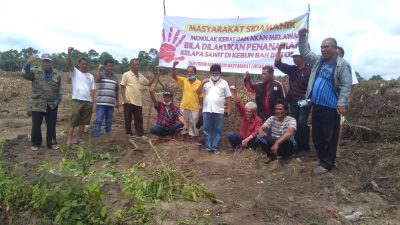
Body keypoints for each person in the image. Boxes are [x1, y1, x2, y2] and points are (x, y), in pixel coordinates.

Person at [298, 28, 352, 174]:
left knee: (330, 136)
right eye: (321, 47)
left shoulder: (342, 65)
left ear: (335, 48)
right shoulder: (318, 61)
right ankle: (322, 159)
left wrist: (342, 103)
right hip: (317, 105)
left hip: (331, 107)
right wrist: (302, 36)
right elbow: (305, 52)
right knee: (317, 135)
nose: (322, 49)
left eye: (326, 46)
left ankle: (328, 163)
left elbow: (347, 85)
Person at [275, 43, 311, 154]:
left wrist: (310, 101)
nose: (294, 59)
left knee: (301, 122)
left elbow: (314, 86)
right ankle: (297, 146)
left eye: (296, 57)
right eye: (293, 57)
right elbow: (278, 63)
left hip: (305, 102)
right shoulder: (292, 69)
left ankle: (305, 147)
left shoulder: (310, 70)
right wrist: (279, 48)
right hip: (293, 101)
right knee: (294, 123)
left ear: (303, 57)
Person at [21, 53, 62, 151]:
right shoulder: (35, 71)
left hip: (51, 104)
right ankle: (35, 143)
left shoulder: (57, 74)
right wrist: (28, 63)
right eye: (44, 61)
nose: (46, 63)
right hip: (37, 103)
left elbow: (59, 89)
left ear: (51, 62)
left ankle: (51, 143)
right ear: (41, 62)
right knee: (36, 124)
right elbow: (24, 74)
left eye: (48, 61)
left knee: (51, 125)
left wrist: (58, 99)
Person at [197, 64, 232, 152]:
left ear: (220, 73)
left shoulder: (224, 83)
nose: (215, 75)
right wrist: (202, 83)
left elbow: (228, 97)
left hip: (219, 110)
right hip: (207, 109)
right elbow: (197, 92)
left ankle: (215, 147)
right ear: (210, 73)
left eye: (216, 73)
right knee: (207, 129)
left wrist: (229, 108)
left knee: (217, 130)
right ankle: (208, 147)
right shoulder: (206, 82)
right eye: (213, 73)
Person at [67, 47, 96, 145]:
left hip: (88, 102)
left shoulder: (90, 76)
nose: (84, 65)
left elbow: (93, 90)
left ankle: (78, 139)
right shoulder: (75, 72)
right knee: (73, 121)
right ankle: (69, 140)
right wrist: (69, 53)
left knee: (83, 122)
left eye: (86, 64)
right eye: (82, 64)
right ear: (79, 64)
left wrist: (92, 101)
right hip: (77, 100)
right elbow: (70, 63)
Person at [120, 58, 155, 139]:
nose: (138, 66)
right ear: (131, 65)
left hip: (138, 101)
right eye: (136, 64)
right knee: (128, 118)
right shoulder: (126, 75)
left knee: (139, 118)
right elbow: (122, 88)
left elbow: (148, 83)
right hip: (128, 101)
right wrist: (125, 99)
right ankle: (129, 133)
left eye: (138, 64)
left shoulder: (140, 76)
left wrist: (154, 76)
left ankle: (140, 134)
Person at [171, 61, 203, 140]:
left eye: (191, 71)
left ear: (195, 72)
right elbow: (174, 76)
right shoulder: (184, 80)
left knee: (194, 124)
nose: (189, 73)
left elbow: (201, 97)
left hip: (194, 107)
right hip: (184, 106)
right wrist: (174, 66)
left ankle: (195, 138)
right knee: (184, 122)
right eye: (188, 71)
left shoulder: (200, 83)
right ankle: (184, 138)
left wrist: (201, 108)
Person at [336, 46, 359, 152]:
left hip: (340, 100)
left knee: (339, 123)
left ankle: (337, 146)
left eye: (337, 53)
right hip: (328, 100)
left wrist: (349, 98)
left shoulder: (346, 67)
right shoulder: (327, 66)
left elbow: (354, 84)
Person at [227, 86, 262, 151]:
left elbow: (256, 131)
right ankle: (237, 148)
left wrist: (247, 139)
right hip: (242, 138)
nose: (246, 113)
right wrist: (234, 92)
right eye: (246, 111)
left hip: (251, 140)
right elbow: (238, 103)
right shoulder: (244, 114)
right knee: (231, 134)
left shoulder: (258, 119)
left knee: (258, 138)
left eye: (249, 111)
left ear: (254, 112)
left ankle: (250, 150)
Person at [92, 59, 119, 137]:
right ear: (105, 66)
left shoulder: (115, 77)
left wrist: (117, 102)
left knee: (109, 120)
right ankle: (96, 135)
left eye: (111, 65)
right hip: (101, 103)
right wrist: (98, 69)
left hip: (111, 103)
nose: (110, 67)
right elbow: (96, 80)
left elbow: (116, 90)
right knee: (99, 119)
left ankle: (107, 135)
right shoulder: (101, 74)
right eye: (108, 66)